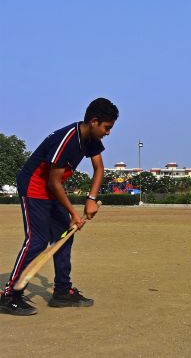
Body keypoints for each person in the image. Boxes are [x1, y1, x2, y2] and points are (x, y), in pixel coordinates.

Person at [0, 98, 118, 315]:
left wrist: (91, 198)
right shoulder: (68, 139)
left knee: (64, 235)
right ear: (94, 122)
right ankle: (9, 296)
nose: (108, 132)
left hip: (53, 188)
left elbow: (99, 168)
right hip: (35, 185)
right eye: (107, 127)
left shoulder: (91, 139)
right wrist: (74, 212)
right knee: (37, 240)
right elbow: (53, 182)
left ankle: (62, 291)